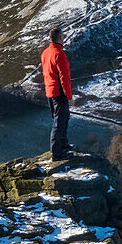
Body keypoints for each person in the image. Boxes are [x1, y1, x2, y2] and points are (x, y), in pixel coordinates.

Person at [41, 27, 73, 159]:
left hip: (50, 91)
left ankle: (63, 144)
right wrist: (69, 97)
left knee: (62, 118)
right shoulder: (59, 54)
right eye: (63, 36)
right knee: (60, 122)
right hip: (59, 92)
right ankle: (57, 152)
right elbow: (64, 78)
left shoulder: (45, 53)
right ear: (60, 38)